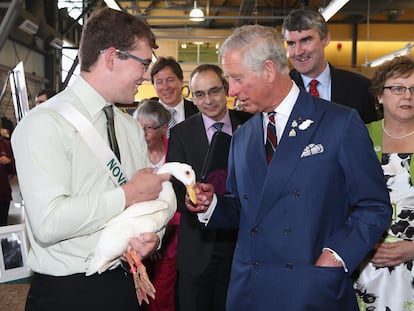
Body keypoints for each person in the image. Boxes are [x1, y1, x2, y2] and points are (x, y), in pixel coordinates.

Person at [185, 24, 392, 310]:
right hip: (251, 292)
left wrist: (336, 257)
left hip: (311, 290)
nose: (231, 91)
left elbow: (374, 206)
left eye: (237, 78)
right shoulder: (243, 135)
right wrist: (211, 204)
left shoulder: (339, 123)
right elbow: (245, 208)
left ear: (269, 71)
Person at [11, 8, 170, 311]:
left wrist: (154, 238)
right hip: (68, 291)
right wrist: (127, 195)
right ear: (112, 57)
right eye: (144, 63)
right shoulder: (44, 124)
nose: (146, 75)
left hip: (125, 284)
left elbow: (147, 200)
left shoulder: (128, 126)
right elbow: (49, 222)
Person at [167, 64, 251, 311]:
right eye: (199, 94)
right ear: (192, 97)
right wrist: (192, 199)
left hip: (241, 243)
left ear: (226, 90)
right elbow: (176, 187)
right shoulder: (181, 133)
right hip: (199, 244)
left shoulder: (250, 124)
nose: (208, 100)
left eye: (214, 91)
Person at [354, 56, 414, 311]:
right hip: (366, 263)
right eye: (398, 88)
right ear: (380, 95)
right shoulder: (358, 137)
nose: (408, 96)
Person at [282, 7, 378, 124]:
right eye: (291, 44)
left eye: (306, 40)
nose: (298, 52)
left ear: (326, 39)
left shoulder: (360, 88)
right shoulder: (279, 90)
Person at [133, 99, 178, 311]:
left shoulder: (176, 155)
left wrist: (161, 238)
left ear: (164, 129)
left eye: (148, 129)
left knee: (161, 298)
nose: (142, 134)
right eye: (138, 128)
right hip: (136, 239)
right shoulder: (131, 154)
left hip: (169, 241)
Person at [150, 56, 199, 137]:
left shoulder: (197, 112)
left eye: (170, 80)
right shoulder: (144, 115)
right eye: (159, 82)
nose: (165, 87)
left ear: (181, 81)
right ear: (154, 86)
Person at [0, 135, 16, 226]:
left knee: (2, 227)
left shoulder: (5, 144)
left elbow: (13, 170)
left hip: (3, 195)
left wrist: (9, 161)